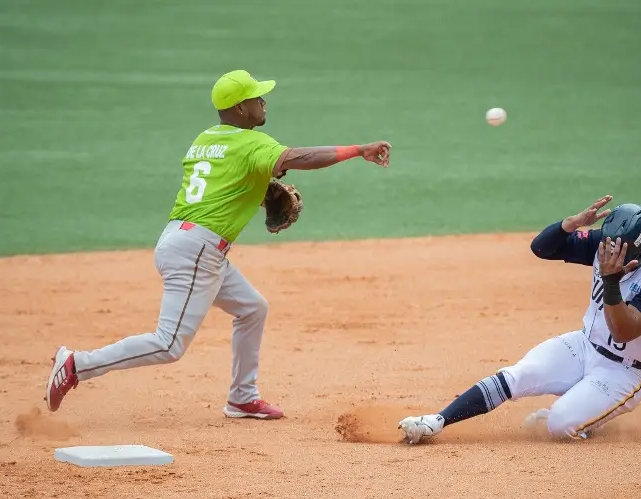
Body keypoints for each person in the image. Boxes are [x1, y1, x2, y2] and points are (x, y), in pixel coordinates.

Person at [45, 69, 392, 420]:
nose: (263, 101)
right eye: (256, 98)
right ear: (240, 109)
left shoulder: (205, 139)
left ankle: (243, 397)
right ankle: (77, 364)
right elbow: (298, 158)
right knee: (169, 343)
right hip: (198, 250)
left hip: (181, 240)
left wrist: (254, 194)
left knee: (252, 308)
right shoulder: (252, 143)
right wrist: (358, 150)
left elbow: (221, 185)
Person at [398, 196, 641, 443]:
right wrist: (569, 225)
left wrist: (611, 282)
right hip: (584, 344)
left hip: (622, 372)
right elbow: (542, 248)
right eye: (608, 247)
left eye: (618, 252)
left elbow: (623, 331)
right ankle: (437, 421)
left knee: (559, 424)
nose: (609, 254)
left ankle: (609, 409)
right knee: (517, 375)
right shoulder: (608, 244)